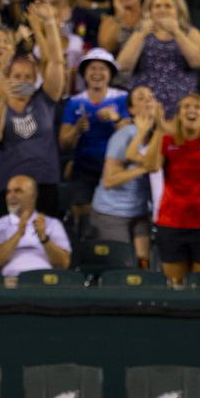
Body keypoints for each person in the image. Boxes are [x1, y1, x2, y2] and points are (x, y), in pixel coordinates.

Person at [0, 3, 67, 218]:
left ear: (36, 79)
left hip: (44, 184)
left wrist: (49, 24)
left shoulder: (44, 100)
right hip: (7, 186)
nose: (22, 81)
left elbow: (56, 62)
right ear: (8, 78)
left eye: (28, 77)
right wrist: (3, 99)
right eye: (17, 77)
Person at [138, 93, 200, 285]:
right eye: (186, 106)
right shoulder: (168, 142)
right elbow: (150, 166)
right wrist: (159, 131)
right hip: (172, 223)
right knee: (175, 285)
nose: (191, 110)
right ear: (178, 114)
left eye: (197, 107)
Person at [59, 49, 129, 229]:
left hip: (115, 167)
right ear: (84, 73)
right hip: (83, 168)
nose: (97, 73)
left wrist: (116, 119)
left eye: (102, 68)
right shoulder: (74, 102)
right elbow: (64, 143)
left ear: (110, 74)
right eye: (92, 68)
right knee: (82, 218)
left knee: (114, 219)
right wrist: (76, 129)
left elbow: (133, 135)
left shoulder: (123, 98)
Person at [116, 0, 200, 116]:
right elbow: (122, 66)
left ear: (178, 11)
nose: (162, 10)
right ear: (150, 11)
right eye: (157, 6)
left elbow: (199, 63)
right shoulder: (140, 33)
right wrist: (141, 33)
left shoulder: (190, 33)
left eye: (168, 6)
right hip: (146, 109)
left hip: (183, 110)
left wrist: (177, 32)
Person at [89, 86, 156, 266]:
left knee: (145, 265)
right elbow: (110, 180)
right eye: (141, 98)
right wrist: (144, 168)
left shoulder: (158, 135)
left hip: (141, 211)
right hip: (112, 212)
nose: (148, 101)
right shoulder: (124, 134)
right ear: (132, 109)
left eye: (151, 97)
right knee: (124, 266)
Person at [0, 174, 71, 277]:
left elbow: (64, 263)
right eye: (8, 192)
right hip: (10, 282)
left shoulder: (53, 224)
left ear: (33, 196)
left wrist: (44, 239)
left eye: (18, 191)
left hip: (45, 282)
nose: (11, 196)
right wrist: (18, 234)